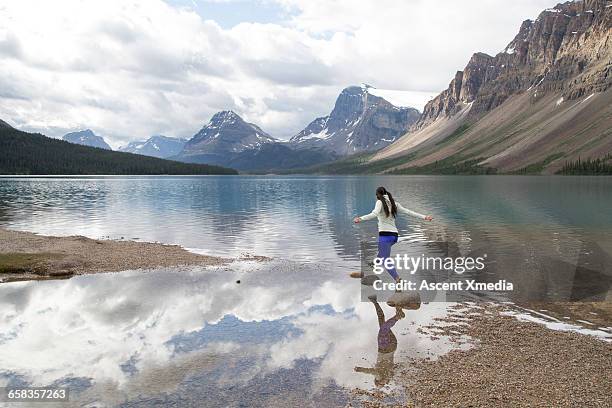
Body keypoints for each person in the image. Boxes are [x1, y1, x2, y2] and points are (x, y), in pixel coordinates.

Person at [353, 186, 432, 283]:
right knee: (382, 253)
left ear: (377, 195)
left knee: (385, 259)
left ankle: (397, 278)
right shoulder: (394, 203)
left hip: (385, 236)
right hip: (394, 236)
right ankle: (374, 264)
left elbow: (374, 214)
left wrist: (360, 219)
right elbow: (408, 212)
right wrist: (425, 217)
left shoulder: (379, 202)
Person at [354, 295, 405, 387]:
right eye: (382, 383)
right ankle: (398, 316)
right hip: (386, 347)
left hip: (390, 347)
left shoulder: (389, 375)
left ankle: (376, 302)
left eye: (381, 383)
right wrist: (359, 369)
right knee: (383, 328)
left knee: (382, 323)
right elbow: (372, 372)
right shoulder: (382, 376)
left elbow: (398, 367)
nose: (382, 381)